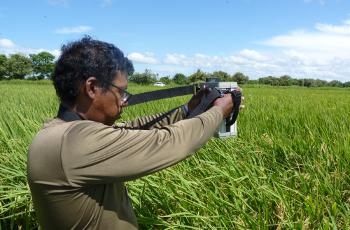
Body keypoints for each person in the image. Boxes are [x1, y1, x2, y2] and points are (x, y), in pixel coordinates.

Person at [27, 36, 234, 229]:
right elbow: (169, 142)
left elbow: (131, 129)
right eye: (121, 92)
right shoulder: (71, 144)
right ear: (92, 88)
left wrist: (188, 109)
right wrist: (219, 110)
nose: (124, 101)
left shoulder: (63, 133)